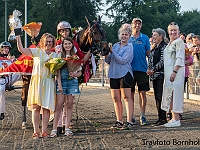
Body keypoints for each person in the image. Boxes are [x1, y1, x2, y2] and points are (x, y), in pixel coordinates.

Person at [16, 33, 58, 139]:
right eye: (47, 41)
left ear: (53, 43)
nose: (48, 43)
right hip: (37, 82)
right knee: (36, 108)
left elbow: (57, 72)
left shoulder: (55, 56)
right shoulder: (36, 52)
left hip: (49, 82)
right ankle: (36, 131)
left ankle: (44, 131)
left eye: (50, 41)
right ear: (43, 42)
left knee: (46, 108)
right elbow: (21, 49)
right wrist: (18, 37)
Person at [53, 21, 91, 134]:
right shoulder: (56, 45)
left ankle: (66, 125)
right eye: (62, 31)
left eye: (67, 30)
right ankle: (57, 125)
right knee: (59, 103)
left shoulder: (74, 45)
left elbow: (81, 59)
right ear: (59, 32)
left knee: (69, 103)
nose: (65, 32)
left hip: (71, 78)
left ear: (70, 31)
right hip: (59, 78)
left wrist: (90, 51)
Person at [50, 37, 82, 137]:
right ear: (63, 46)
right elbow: (57, 72)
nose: (68, 45)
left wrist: (74, 75)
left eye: (69, 43)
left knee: (69, 104)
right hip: (61, 82)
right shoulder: (59, 56)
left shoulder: (75, 57)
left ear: (72, 45)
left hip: (72, 82)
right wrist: (59, 84)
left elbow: (80, 72)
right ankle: (55, 129)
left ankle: (67, 127)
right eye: (66, 44)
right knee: (59, 105)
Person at [105, 24, 134, 130]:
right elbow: (108, 61)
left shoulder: (129, 47)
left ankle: (129, 120)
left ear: (129, 36)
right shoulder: (115, 46)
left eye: (126, 34)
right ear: (119, 35)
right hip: (113, 73)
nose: (124, 36)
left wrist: (113, 53)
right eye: (122, 34)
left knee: (126, 97)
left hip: (125, 73)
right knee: (116, 98)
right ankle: (119, 120)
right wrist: (107, 54)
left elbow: (123, 60)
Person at [161, 22, 185, 127]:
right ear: (168, 32)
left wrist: (174, 72)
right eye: (171, 30)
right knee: (170, 94)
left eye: (175, 30)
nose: (173, 32)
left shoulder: (179, 42)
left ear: (178, 31)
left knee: (176, 94)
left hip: (176, 72)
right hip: (168, 72)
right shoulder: (170, 44)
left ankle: (176, 119)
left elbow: (180, 57)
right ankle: (173, 117)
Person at [129, 18, 151, 125]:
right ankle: (131, 116)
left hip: (142, 69)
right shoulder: (128, 37)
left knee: (142, 93)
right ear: (131, 25)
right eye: (135, 23)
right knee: (130, 94)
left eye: (139, 23)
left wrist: (151, 66)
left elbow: (149, 53)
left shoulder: (145, 38)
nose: (137, 25)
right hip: (130, 70)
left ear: (141, 25)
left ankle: (142, 116)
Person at [147, 28, 168, 126]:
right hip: (155, 75)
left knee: (160, 96)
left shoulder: (164, 47)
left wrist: (153, 69)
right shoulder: (155, 47)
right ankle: (160, 117)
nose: (153, 37)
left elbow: (163, 61)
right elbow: (151, 59)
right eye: (153, 35)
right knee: (157, 97)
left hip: (161, 75)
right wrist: (149, 69)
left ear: (161, 36)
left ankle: (163, 118)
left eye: (155, 35)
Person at [0, 41, 21, 120]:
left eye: (7, 48)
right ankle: (1, 112)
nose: (6, 50)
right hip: (1, 79)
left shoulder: (10, 59)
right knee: (1, 90)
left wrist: (13, 62)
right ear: (1, 49)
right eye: (4, 48)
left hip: (9, 79)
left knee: (20, 72)